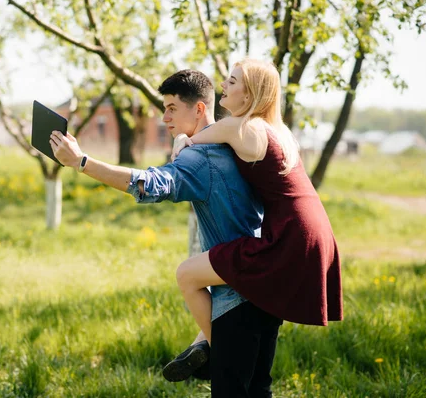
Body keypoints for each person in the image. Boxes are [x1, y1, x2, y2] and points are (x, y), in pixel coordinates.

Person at [50, 70, 282, 396]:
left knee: (232, 390)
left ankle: (208, 344)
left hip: (234, 297)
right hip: (268, 284)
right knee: (259, 389)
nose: (164, 117)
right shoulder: (239, 144)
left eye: (172, 107)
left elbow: (147, 185)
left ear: (199, 109)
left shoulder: (200, 158)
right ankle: (205, 343)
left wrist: (82, 162)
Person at [170, 59, 343, 395]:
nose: (223, 84)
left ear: (250, 95)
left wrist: (180, 140)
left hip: (291, 234)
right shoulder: (277, 130)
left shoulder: (239, 126)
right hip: (312, 227)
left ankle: (215, 348)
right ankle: (206, 344)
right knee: (253, 315)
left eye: (232, 81)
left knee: (189, 275)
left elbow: (190, 141)